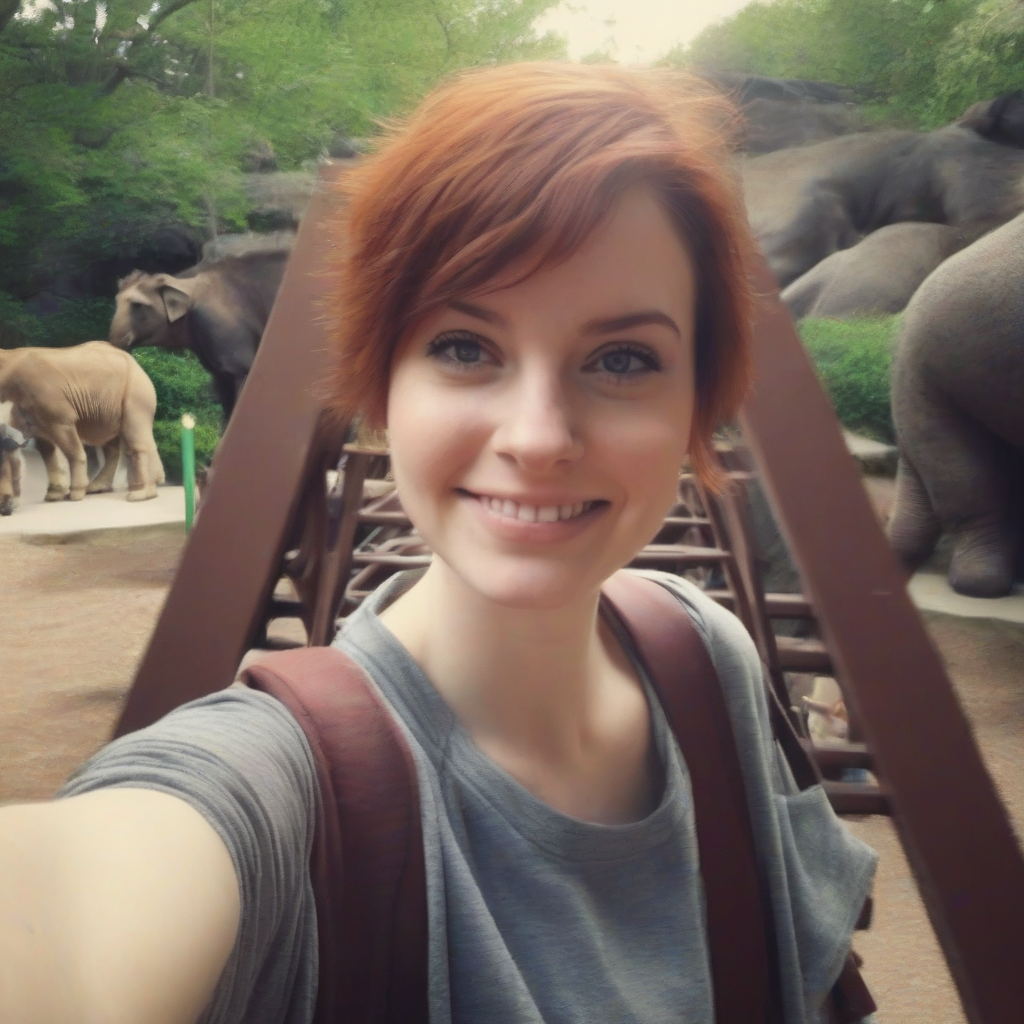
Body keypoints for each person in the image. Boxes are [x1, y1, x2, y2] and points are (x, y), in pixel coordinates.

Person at [0, 63, 876, 1024]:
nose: (537, 438)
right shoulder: (276, 787)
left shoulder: (706, 654)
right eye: (463, 347)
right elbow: (79, 912)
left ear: (698, 404)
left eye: (623, 359)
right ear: (381, 388)